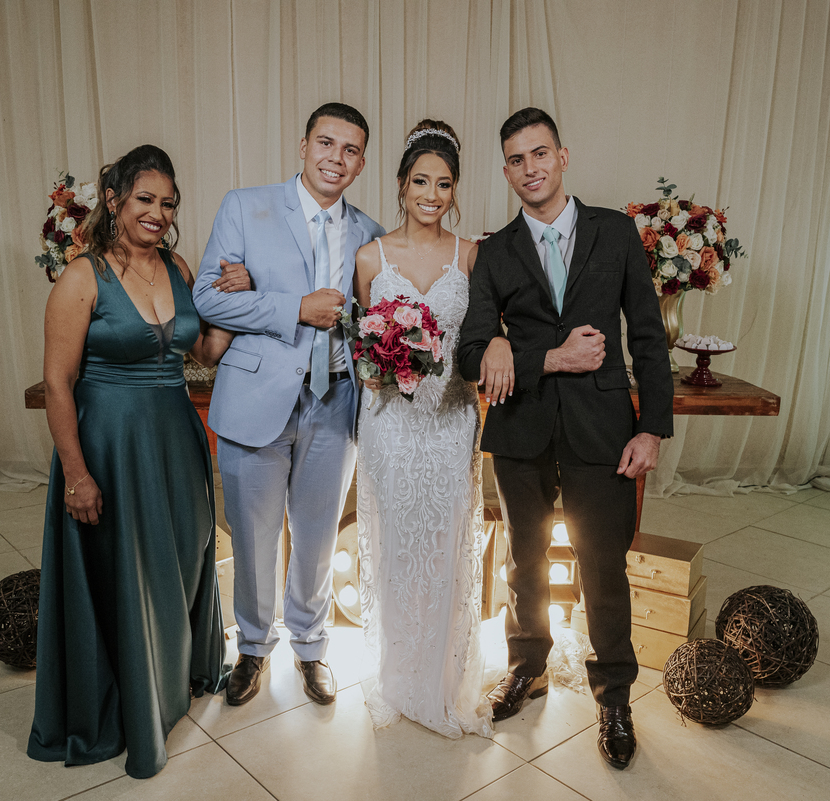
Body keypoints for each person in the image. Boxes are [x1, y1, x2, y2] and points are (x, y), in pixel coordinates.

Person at [458, 108, 674, 769]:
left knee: (602, 564)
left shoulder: (615, 231)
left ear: (563, 156)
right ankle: (527, 666)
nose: (531, 168)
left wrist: (652, 427)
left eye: (540, 153)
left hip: (602, 428)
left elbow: (647, 335)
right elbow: (470, 349)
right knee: (523, 561)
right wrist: (535, 352)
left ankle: (614, 694)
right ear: (505, 171)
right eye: (516, 159)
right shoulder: (494, 251)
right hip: (520, 429)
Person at [28, 144, 245, 780]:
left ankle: (172, 683)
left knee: (182, 562)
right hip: (110, 447)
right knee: (128, 573)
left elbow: (203, 351)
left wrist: (236, 299)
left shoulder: (176, 266)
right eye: (145, 199)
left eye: (168, 203)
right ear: (114, 200)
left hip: (176, 440)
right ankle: (130, 707)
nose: (158, 212)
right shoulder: (82, 277)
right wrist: (76, 475)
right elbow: (58, 383)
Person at [192, 102, 386, 708]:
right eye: (326, 143)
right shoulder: (244, 207)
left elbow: (375, 322)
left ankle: (311, 644)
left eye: (351, 150)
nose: (336, 158)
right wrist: (293, 307)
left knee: (319, 534)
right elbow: (207, 298)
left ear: (361, 163)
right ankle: (253, 647)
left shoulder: (371, 233)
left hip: (336, 400)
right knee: (253, 535)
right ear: (303, 146)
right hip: (257, 396)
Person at [352, 119, 512, 738]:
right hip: (390, 424)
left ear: (454, 190)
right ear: (401, 184)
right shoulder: (371, 257)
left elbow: (487, 331)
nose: (432, 195)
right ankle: (396, 673)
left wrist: (497, 342)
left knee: (445, 544)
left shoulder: (472, 256)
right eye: (421, 181)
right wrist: (373, 368)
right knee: (396, 544)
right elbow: (360, 339)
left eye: (444, 184)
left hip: (449, 419)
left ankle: (442, 677)